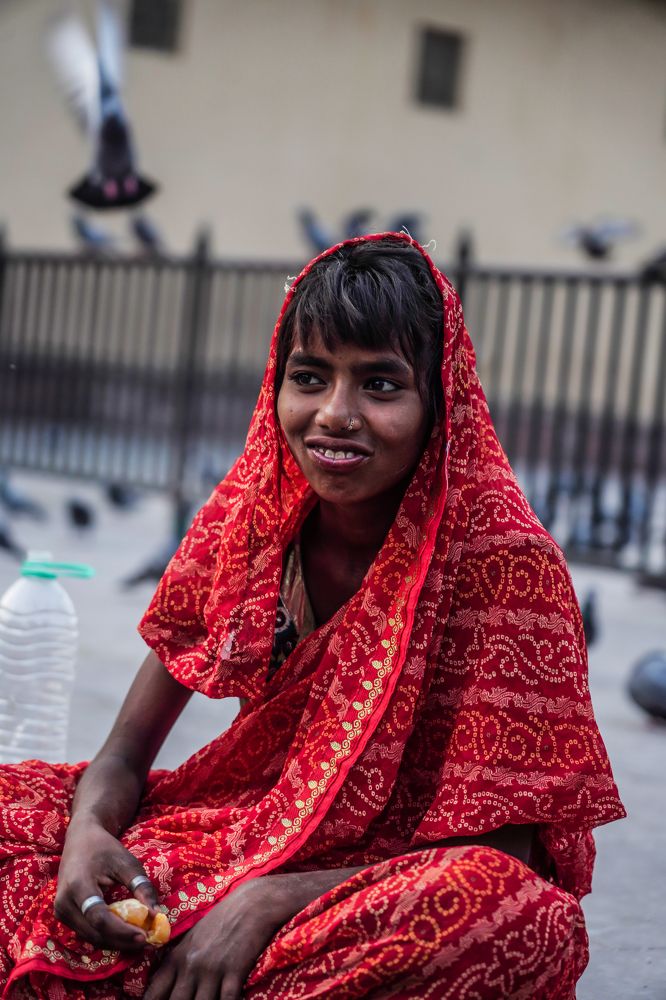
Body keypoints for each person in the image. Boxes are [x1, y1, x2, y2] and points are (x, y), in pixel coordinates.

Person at [0, 233, 624, 999]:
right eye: (309, 377)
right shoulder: (253, 521)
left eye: (380, 385)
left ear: (441, 401)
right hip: (231, 837)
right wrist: (88, 838)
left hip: (373, 897)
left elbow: (510, 853)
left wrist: (267, 904)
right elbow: (124, 754)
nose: (334, 414)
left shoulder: (503, 560)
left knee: (518, 917)